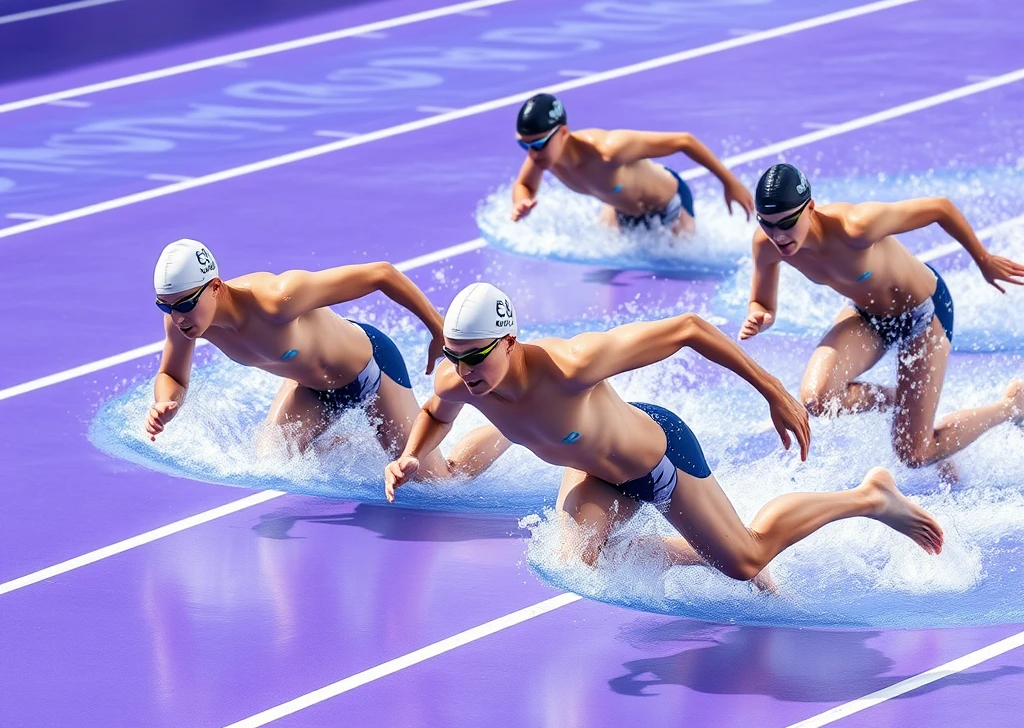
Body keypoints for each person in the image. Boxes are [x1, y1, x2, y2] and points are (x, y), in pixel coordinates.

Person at [384, 283, 943, 582]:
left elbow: (690, 329)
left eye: (475, 357)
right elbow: (436, 410)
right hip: (594, 470)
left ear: (509, 341)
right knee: (579, 557)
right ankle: (704, 549)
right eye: (455, 358)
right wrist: (410, 456)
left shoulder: (574, 364)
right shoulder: (458, 379)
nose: (464, 371)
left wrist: (772, 389)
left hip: (659, 457)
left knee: (748, 562)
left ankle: (869, 497)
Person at [740, 164, 1024, 470]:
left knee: (915, 454)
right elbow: (762, 302)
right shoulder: (765, 245)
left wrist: (984, 260)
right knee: (817, 400)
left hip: (923, 315)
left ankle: (1011, 406)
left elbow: (940, 208)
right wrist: (760, 316)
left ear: (810, 208)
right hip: (867, 315)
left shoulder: (856, 226)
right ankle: (905, 402)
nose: (778, 236)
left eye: (787, 223)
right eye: (767, 224)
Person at [147, 239, 506, 480]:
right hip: (312, 387)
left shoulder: (276, 298)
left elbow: (381, 273)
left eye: (184, 304)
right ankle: (352, 442)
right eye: (166, 306)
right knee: (273, 463)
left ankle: (509, 429)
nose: (177, 317)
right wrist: (166, 402)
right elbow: (172, 376)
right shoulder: (185, 322)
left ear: (215, 286)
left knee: (438, 481)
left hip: (371, 370)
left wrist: (437, 328)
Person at [509, 93, 753, 236]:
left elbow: (684, 141)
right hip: (622, 212)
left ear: (562, 133)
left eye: (538, 143)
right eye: (523, 145)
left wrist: (729, 182)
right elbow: (524, 184)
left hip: (669, 205)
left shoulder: (608, 150)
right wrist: (522, 202)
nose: (531, 152)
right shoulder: (543, 158)